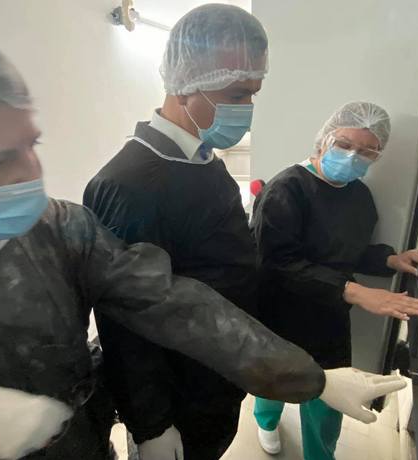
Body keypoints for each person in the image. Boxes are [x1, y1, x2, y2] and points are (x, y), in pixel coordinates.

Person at [0, 13, 405, 460]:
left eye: (31, 145)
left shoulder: (60, 229)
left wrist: (311, 377)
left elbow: (171, 303)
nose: (31, 177)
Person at [84, 5, 265, 459]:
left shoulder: (200, 159)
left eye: (253, 94)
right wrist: (152, 426)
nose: (247, 109)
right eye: (237, 94)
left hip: (214, 379)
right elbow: (125, 320)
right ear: (186, 83)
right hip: (177, 401)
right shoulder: (130, 184)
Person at [250, 101, 418, 460]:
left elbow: (351, 251)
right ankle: (266, 421)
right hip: (280, 307)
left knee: (330, 394)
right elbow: (277, 263)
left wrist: (390, 259)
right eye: (345, 144)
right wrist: (354, 291)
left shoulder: (359, 196)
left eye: (366, 151)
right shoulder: (287, 189)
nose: (353, 156)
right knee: (275, 375)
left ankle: (320, 454)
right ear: (324, 140)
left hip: (329, 313)